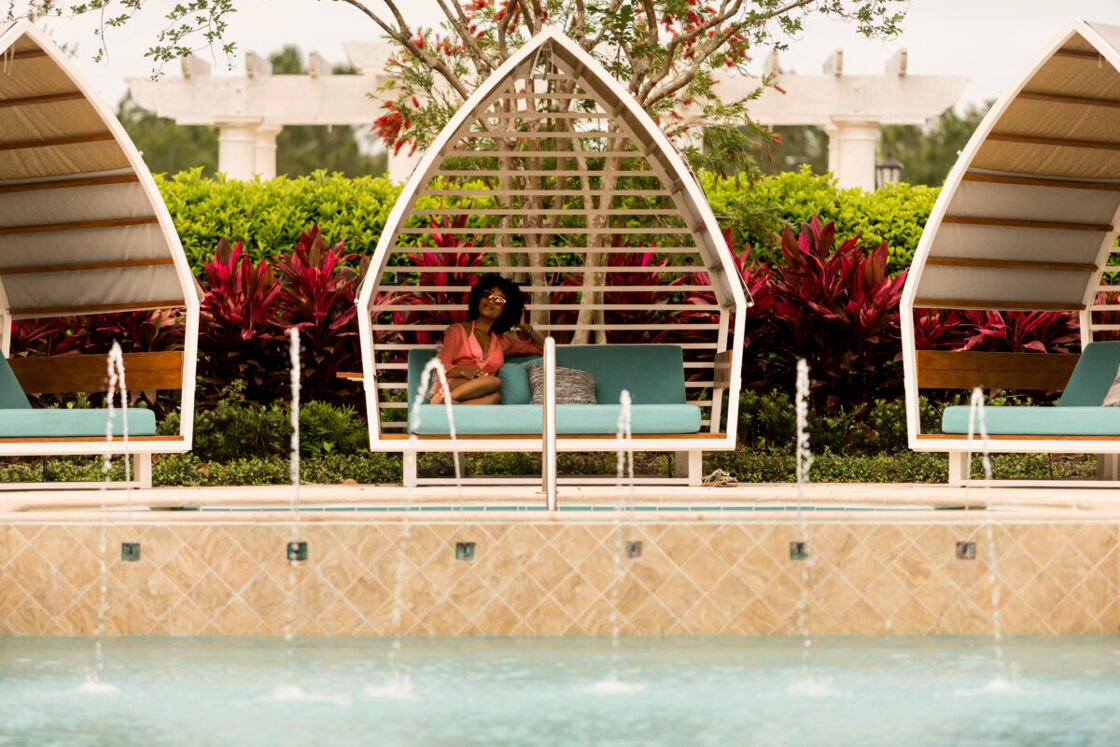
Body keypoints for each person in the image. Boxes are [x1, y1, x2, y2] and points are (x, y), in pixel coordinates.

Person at [429, 274, 546, 404]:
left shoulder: (503, 342)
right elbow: (441, 365)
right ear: (479, 298)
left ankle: (447, 403)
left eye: (499, 300)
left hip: (479, 390)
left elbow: (544, 348)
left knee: (495, 397)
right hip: (454, 384)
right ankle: (444, 397)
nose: (491, 301)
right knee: (494, 381)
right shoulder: (457, 331)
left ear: (504, 311)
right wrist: (466, 372)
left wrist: (524, 326)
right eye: (488, 294)